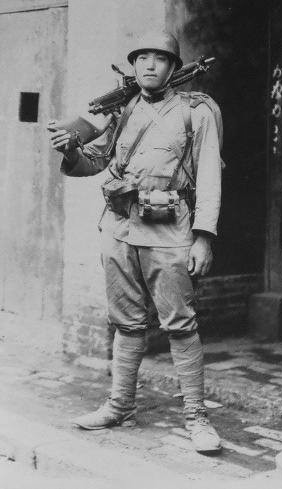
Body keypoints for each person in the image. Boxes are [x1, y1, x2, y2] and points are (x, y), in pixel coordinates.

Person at [48, 31, 223, 454]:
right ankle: (119, 404)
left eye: (160, 58)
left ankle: (197, 417)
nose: (149, 65)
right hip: (120, 228)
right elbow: (94, 162)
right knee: (125, 322)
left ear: (173, 66)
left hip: (169, 231)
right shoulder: (120, 110)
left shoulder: (194, 112)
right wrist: (70, 150)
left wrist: (203, 238)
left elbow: (211, 179)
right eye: (141, 58)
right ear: (132, 66)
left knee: (180, 323)